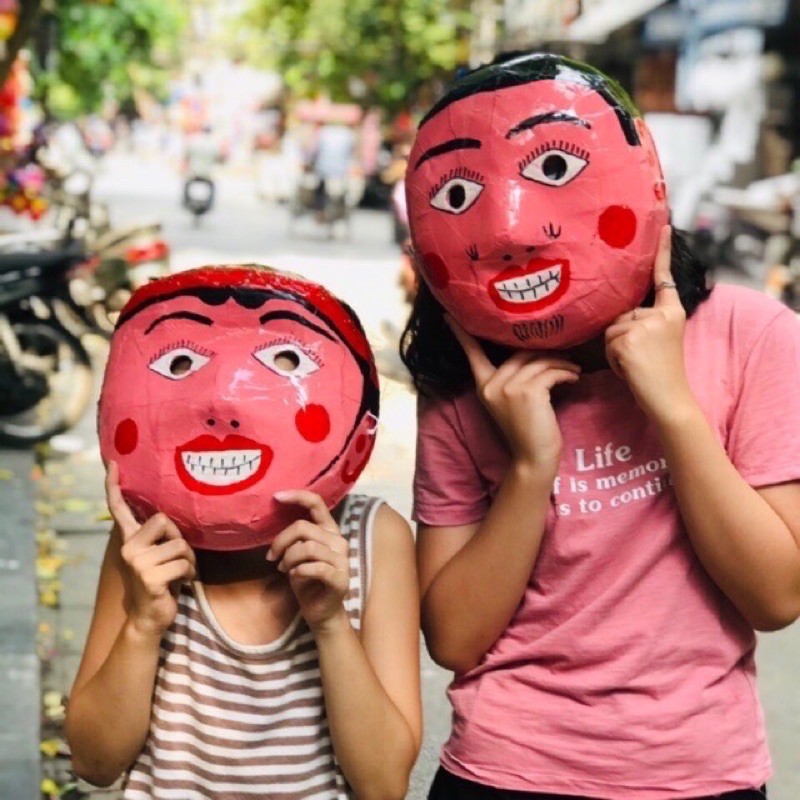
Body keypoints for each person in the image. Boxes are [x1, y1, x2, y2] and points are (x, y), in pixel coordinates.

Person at [401, 52, 800, 800]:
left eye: (554, 167)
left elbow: (775, 598)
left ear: (647, 179)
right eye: (459, 193)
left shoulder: (751, 336)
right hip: (503, 769)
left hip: (698, 773)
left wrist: (673, 408)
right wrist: (529, 469)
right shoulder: (464, 382)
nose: (510, 229)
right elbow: (453, 639)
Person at [65, 266, 421, 799]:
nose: (223, 405)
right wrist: (142, 625)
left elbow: (384, 784)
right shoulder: (146, 544)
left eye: (285, 361)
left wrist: (330, 624)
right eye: (179, 364)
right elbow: (94, 762)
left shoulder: (373, 539)